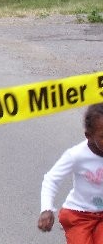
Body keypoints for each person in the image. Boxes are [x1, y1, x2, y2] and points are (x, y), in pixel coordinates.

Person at [38, 103, 103, 243]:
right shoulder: (76, 155)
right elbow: (51, 179)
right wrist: (46, 209)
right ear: (89, 136)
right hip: (79, 216)